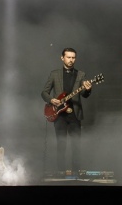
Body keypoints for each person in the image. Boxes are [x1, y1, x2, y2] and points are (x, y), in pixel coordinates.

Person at [41, 47, 93, 175]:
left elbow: (85, 95)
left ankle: (76, 173)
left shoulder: (81, 74)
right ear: (62, 58)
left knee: (76, 145)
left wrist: (87, 89)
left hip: (75, 114)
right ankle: (60, 172)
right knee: (61, 144)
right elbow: (44, 92)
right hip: (59, 115)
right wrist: (52, 100)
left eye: (73, 58)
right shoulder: (54, 74)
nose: (71, 60)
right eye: (68, 57)